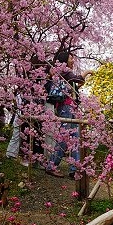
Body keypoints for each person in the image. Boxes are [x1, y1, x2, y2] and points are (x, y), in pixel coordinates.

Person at [45, 49, 90, 179]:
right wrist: (88, 72)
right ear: (65, 60)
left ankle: (74, 170)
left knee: (76, 138)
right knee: (64, 138)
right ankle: (51, 166)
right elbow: (78, 78)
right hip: (65, 107)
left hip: (71, 107)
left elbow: (72, 87)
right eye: (71, 58)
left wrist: (78, 86)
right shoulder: (64, 70)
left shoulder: (63, 73)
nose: (73, 60)